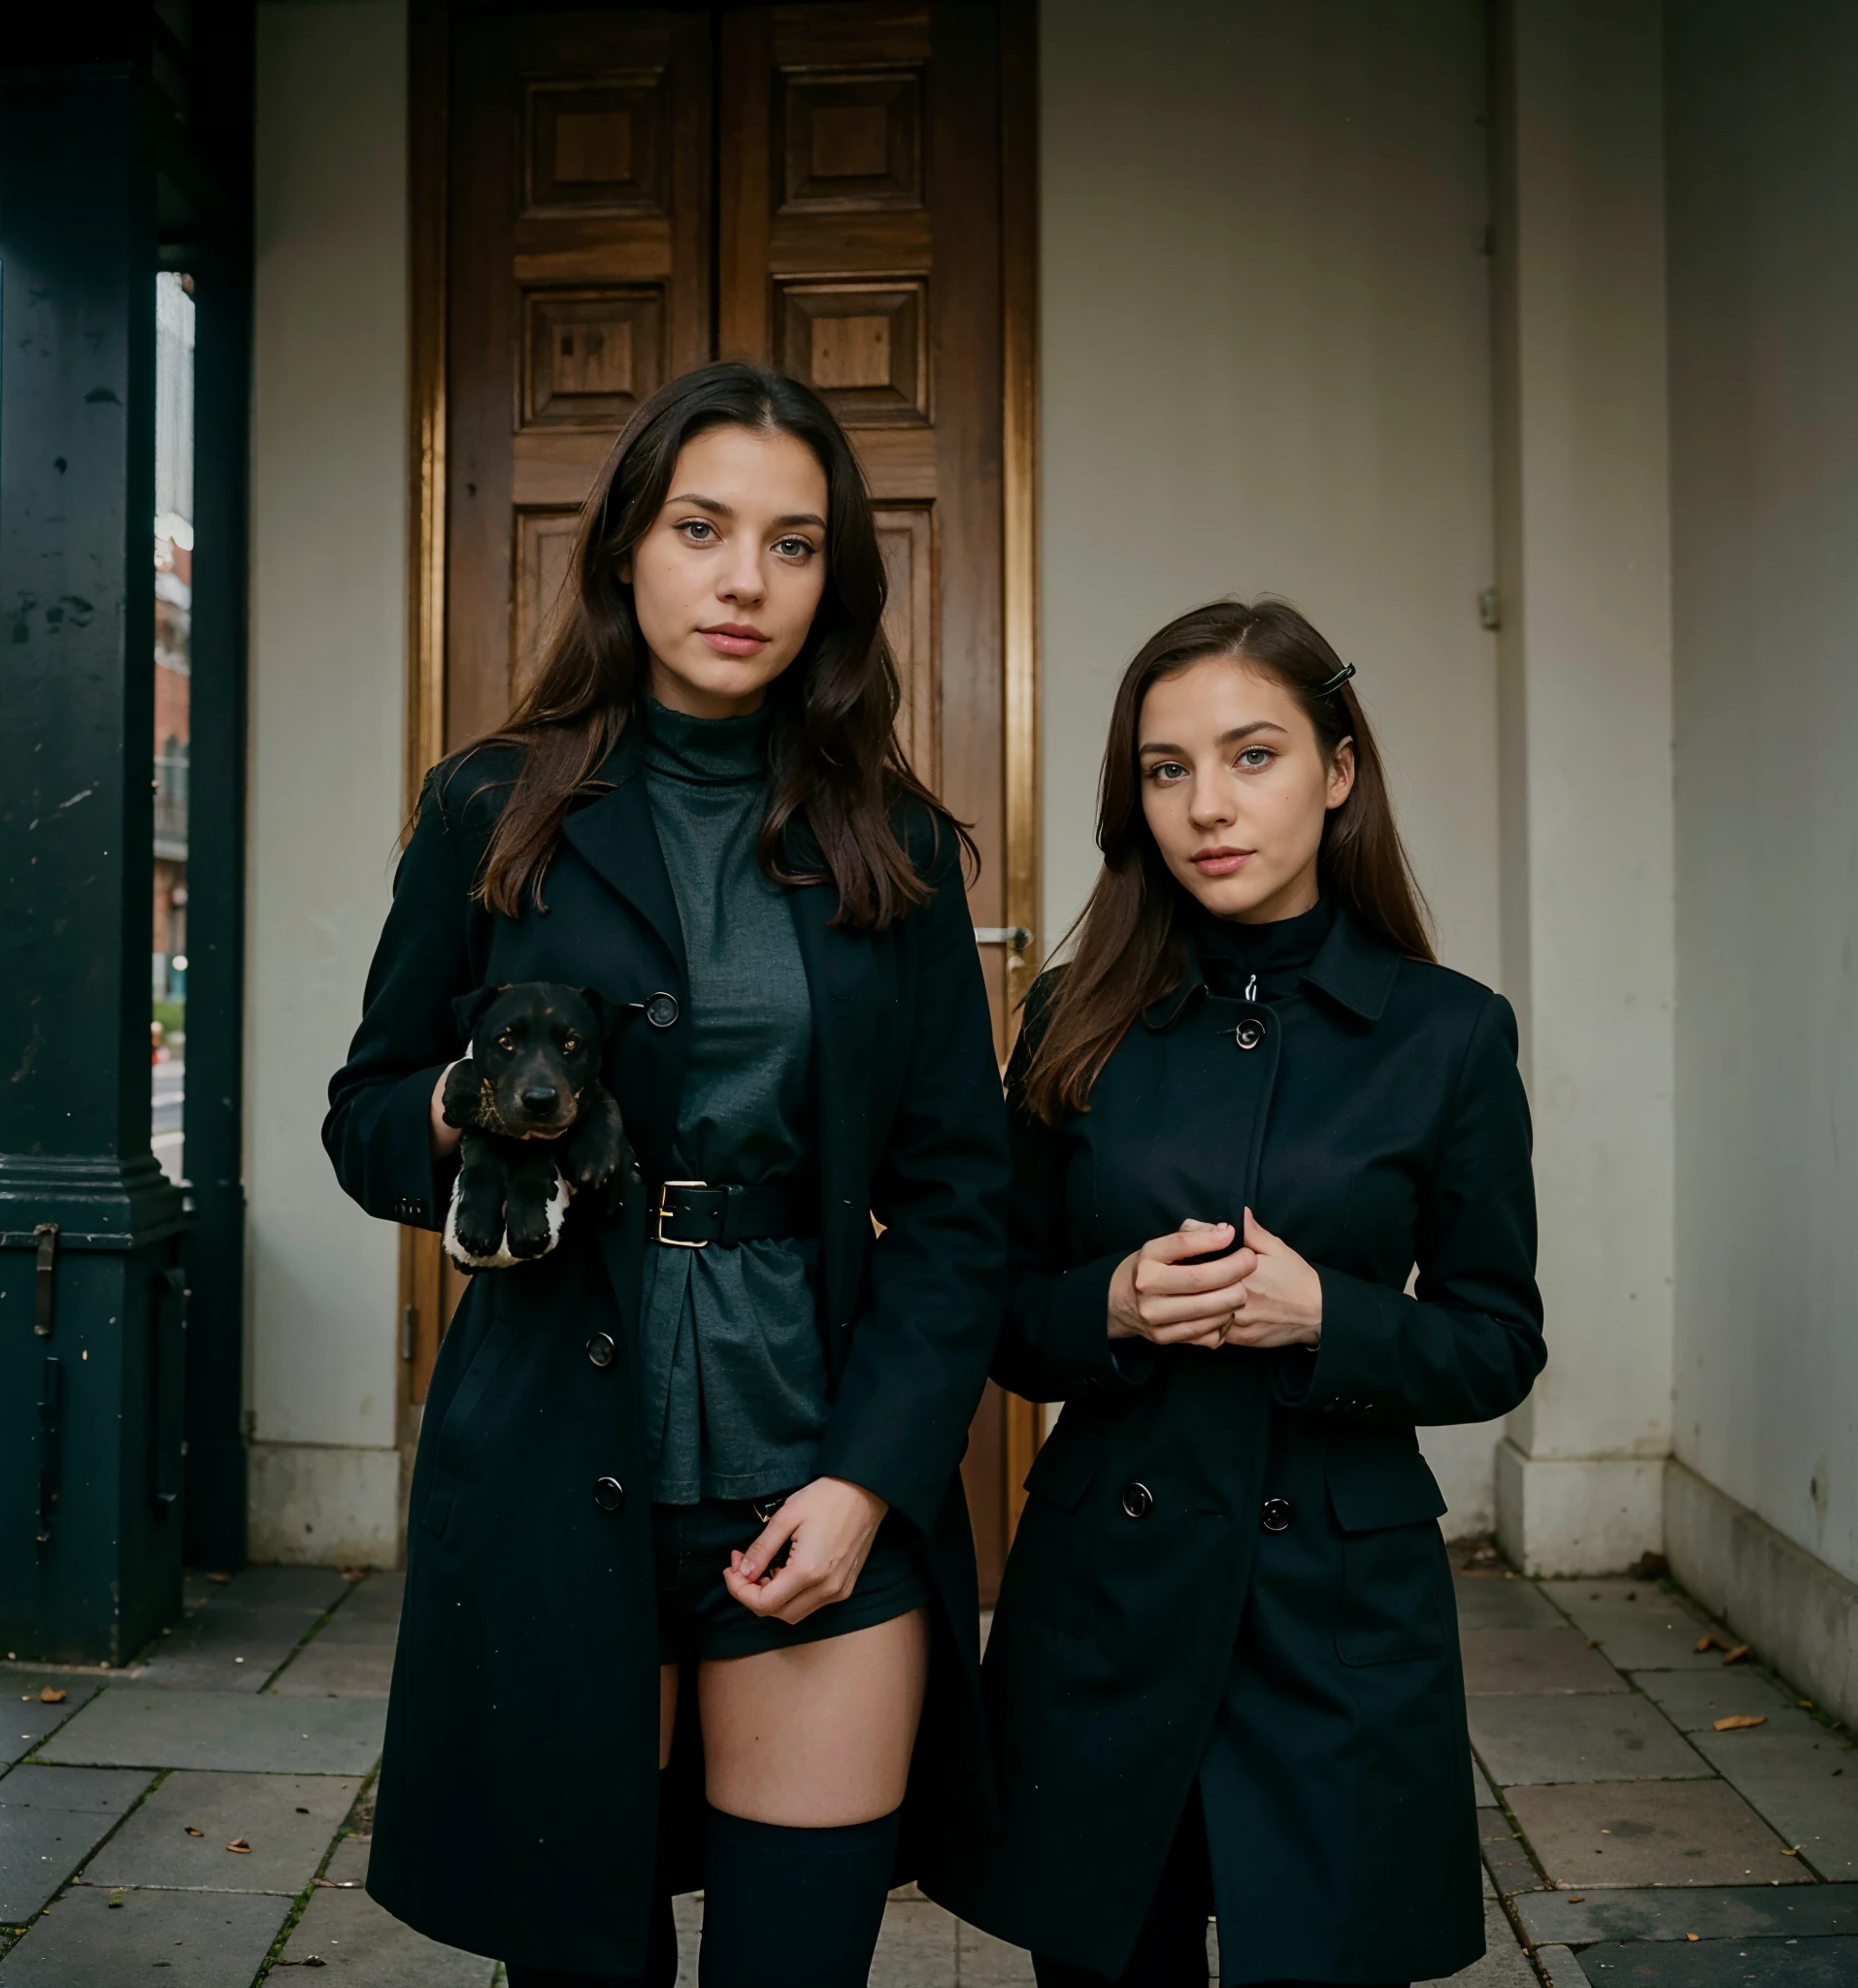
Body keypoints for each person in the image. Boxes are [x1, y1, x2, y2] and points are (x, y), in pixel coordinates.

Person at [324, 363, 1008, 1988]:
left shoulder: (896, 846)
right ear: (627, 542)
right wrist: (470, 1102)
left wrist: (872, 1484)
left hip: (818, 1474)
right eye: (703, 528)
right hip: (557, 1459)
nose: (742, 581)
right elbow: (362, 1122)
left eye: (793, 542)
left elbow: (964, 1206)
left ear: (836, 576)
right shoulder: (492, 803)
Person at [924, 600, 1545, 1987]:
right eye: (1164, 768)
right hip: (1110, 1600)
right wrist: (1115, 1309)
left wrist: (1333, 1318)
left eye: (1251, 755)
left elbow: (1498, 1342)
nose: (1206, 804)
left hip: (1335, 1611)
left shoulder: (1447, 1035)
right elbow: (996, 1308)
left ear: (1337, 771)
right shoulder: (1074, 1011)